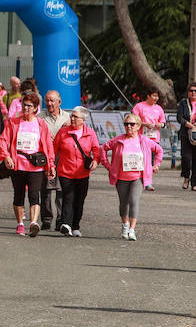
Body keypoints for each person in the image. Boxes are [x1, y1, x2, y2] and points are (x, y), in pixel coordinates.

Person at [0, 92, 55, 237]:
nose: (26, 108)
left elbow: (48, 146)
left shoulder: (41, 124)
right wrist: (6, 156)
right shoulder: (13, 122)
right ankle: (20, 224)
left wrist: (51, 164)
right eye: (24, 104)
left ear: (36, 108)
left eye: (29, 105)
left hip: (36, 166)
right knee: (18, 195)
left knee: (34, 194)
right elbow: (3, 140)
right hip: (17, 165)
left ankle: (33, 223)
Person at [102, 113, 162, 241]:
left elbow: (159, 150)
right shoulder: (118, 140)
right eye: (126, 124)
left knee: (134, 201)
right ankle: (125, 225)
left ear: (138, 126)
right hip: (121, 177)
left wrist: (156, 164)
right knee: (124, 204)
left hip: (138, 177)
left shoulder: (144, 140)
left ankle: (132, 229)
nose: (129, 126)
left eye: (132, 124)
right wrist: (108, 166)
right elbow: (103, 149)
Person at [54, 106, 104, 237]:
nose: (72, 118)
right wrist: (50, 165)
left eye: (75, 116)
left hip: (82, 173)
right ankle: (66, 224)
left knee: (79, 200)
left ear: (83, 120)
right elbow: (54, 148)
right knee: (68, 197)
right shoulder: (63, 132)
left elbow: (97, 150)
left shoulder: (90, 133)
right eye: (72, 116)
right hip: (65, 171)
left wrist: (96, 161)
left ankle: (75, 226)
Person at [39, 90, 70, 227]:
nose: (49, 103)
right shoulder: (39, 118)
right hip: (45, 156)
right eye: (47, 100)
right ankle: (46, 219)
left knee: (61, 190)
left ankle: (60, 219)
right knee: (45, 189)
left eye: (52, 100)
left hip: (62, 157)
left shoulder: (68, 118)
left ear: (59, 102)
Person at [132, 87, 165, 191]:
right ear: (148, 96)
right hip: (140, 138)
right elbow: (133, 120)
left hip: (154, 138)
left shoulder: (159, 108)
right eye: (154, 96)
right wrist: (145, 124)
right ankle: (138, 180)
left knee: (150, 161)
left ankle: (148, 182)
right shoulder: (139, 106)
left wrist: (160, 124)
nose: (156, 98)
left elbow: (164, 123)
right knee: (141, 160)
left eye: (157, 96)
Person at [178, 82, 196, 190]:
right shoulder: (183, 103)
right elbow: (179, 117)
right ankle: (186, 177)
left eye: (195, 91)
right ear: (188, 92)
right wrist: (186, 123)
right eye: (191, 91)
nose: (193, 93)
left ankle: (194, 183)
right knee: (186, 157)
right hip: (186, 134)